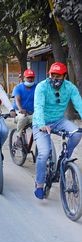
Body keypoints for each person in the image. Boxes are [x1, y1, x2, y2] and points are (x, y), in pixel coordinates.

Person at [32, 62, 82, 199]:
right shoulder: (42, 87)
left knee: (77, 133)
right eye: (52, 75)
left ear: (64, 76)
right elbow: (38, 106)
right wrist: (42, 124)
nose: (55, 78)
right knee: (43, 153)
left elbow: (79, 104)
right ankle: (40, 184)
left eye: (58, 76)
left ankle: (65, 161)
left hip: (59, 121)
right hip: (40, 123)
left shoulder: (70, 88)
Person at [12, 69, 37, 133]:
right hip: (19, 112)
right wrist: (20, 109)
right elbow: (17, 99)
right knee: (22, 118)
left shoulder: (37, 87)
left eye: (32, 77)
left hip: (32, 113)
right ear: (24, 78)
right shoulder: (18, 87)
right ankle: (18, 137)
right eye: (28, 77)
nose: (30, 79)